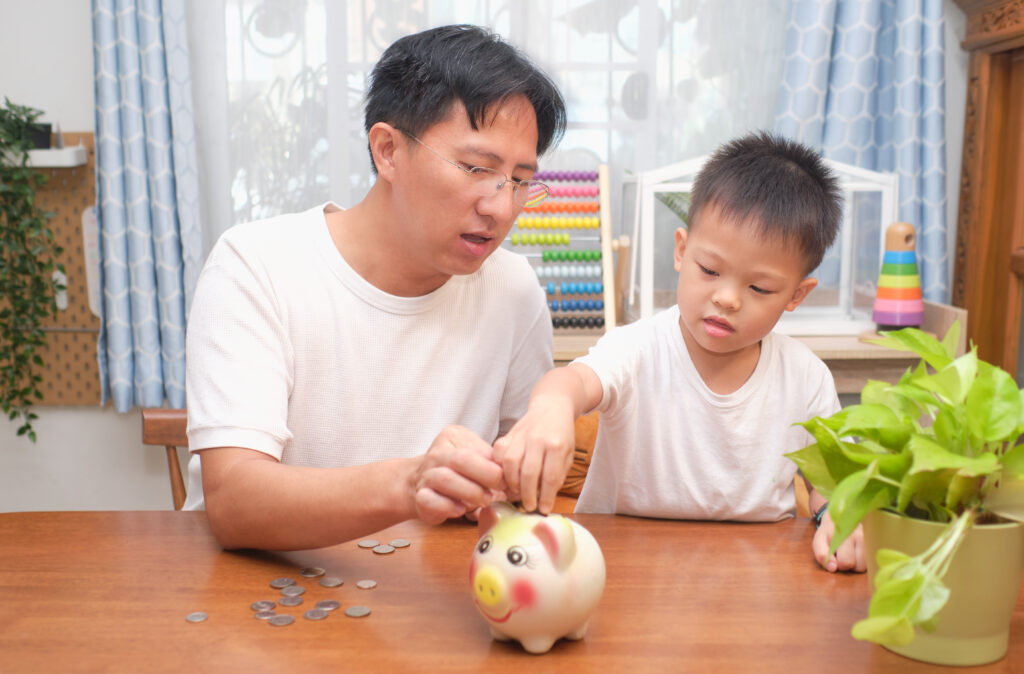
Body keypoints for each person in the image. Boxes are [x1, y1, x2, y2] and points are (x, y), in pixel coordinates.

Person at [182, 25, 566, 551]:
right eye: (477, 167)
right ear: (388, 151)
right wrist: (410, 484)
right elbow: (233, 500)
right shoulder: (256, 266)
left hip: (427, 597)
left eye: (520, 180)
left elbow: (519, 493)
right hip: (258, 590)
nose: (500, 207)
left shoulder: (513, 289)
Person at [494, 131, 866, 573]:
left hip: (757, 577)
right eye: (709, 270)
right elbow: (574, 382)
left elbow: (830, 484)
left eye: (759, 288)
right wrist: (553, 405)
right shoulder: (636, 349)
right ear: (682, 250)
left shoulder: (805, 378)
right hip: (619, 568)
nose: (727, 298)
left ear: (796, 295)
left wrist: (838, 516)